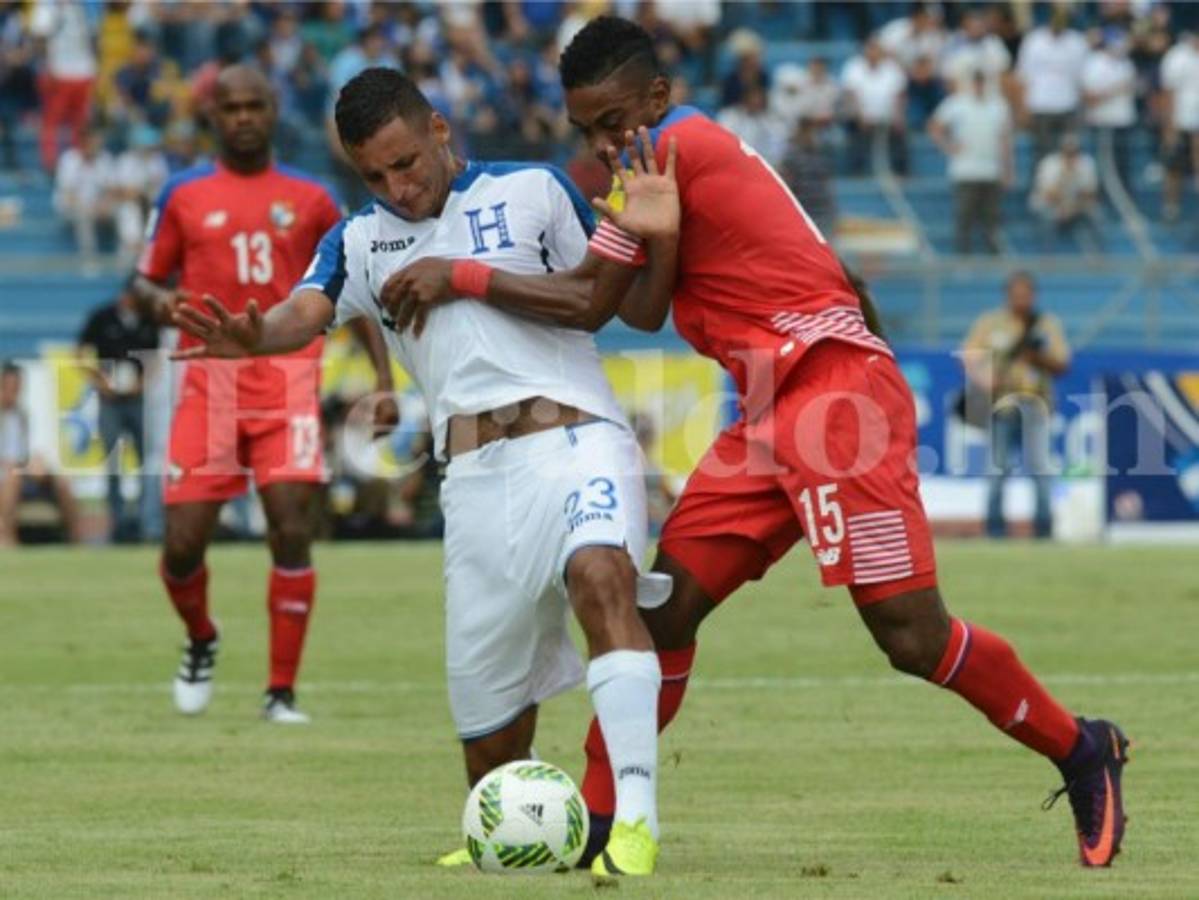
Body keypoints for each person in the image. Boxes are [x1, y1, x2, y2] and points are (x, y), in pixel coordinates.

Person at [392, 16, 1131, 871]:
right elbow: (642, 309)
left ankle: (1081, 746)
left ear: (658, 99)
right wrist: (663, 241)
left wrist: (461, 274)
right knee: (662, 609)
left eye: (614, 121)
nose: (602, 142)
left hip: (834, 399)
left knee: (908, 637)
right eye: (586, 130)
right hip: (770, 411)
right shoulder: (660, 165)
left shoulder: (680, 148)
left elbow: (591, 302)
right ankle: (600, 822)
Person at [173, 67, 665, 878]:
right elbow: (307, 309)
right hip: (471, 481)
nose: (397, 187)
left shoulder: (533, 190)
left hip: (573, 439)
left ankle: (638, 826)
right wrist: (256, 337)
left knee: (602, 576)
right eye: (374, 175)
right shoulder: (358, 240)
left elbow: (598, 293)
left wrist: (464, 275)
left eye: (406, 162)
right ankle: (515, 830)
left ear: (438, 129)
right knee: (489, 739)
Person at [133, 65, 396, 724]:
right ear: (213, 116)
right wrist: (161, 301)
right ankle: (201, 638)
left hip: (286, 379)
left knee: (290, 529)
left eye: (255, 105)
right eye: (232, 108)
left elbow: (349, 290)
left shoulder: (309, 199)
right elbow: (140, 283)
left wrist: (385, 382)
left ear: (273, 110)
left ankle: (280, 691)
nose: (244, 117)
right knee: (184, 544)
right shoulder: (182, 193)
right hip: (208, 382)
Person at [961, 272, 1070, 539]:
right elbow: (969, 355)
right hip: (1003, 404)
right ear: (1008, 295)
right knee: (998, 469)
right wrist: (985, 379)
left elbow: (1062, 363)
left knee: (1040, 468)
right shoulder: (990, 323)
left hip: (1037, 404)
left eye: (1026, 294)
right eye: (1016, 294)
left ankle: (1044, 529)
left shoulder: (1046, 324)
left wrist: (1036, 357)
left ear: (1034, 295)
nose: (1021, 299)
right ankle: (994, 529)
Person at [76, 279, 160, 542]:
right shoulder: (102, 317)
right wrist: (99, 382)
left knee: (147, 458)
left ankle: (146, 520)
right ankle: (119, 521)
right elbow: (79, 353)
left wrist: (142, 383)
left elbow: (156, 357)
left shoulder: (148, 321)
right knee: (113, 459)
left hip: (137, 399)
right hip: (109, 400)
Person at [929, 68, 1013, 254]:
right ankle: (962, 254)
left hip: (991, 169)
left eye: (982, 81)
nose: (979, 85)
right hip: (965, 169)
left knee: (991, 217)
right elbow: (934, 126)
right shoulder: (956, 103)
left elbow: (1005, 139)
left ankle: (992, 254)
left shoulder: (998, 105)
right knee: (964, 215)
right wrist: (948, 146)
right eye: (976, 81)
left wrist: (1007, 168)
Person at [0, 361, 82, 546]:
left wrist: (36, 462)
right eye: (10, 387)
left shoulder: (22, 416)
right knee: (12, 480)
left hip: (22, 470)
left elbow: (26, 451)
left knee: (62, 482)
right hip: (7, 475)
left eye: (18, 387)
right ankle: (8, 539)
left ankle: (75, 540)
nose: (14, 392)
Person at [1017, 8, 1089, 170]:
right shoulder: (1034, 41)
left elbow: (1083, 78)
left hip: (1069, 104)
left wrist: (1083, 108)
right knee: (1043, 152)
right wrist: (1023, 107)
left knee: (1071, 150)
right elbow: (1024, 77)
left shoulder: (1077, 42)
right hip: (1040, 104)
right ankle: (1042, 190)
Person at [1030, 133, 1102, 251]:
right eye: (1068, 153)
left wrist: (1073, 206)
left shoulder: (1087, 163)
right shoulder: (1049, 163)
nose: (1070, 157)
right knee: (1047, 217)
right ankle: (1046, 256)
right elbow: (1048, 195)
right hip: (1051, 205)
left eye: (1073, 153)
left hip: (1077, 205)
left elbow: (1091, 194)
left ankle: (1099, 256)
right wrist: (1064, 176)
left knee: (1097, 215)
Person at [1159, 31, 1199, 223]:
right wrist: (1169, 126)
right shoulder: (1177, 57)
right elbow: (1168, 92)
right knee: (1173, 167)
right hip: (1180, 122)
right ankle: (1171, 208)